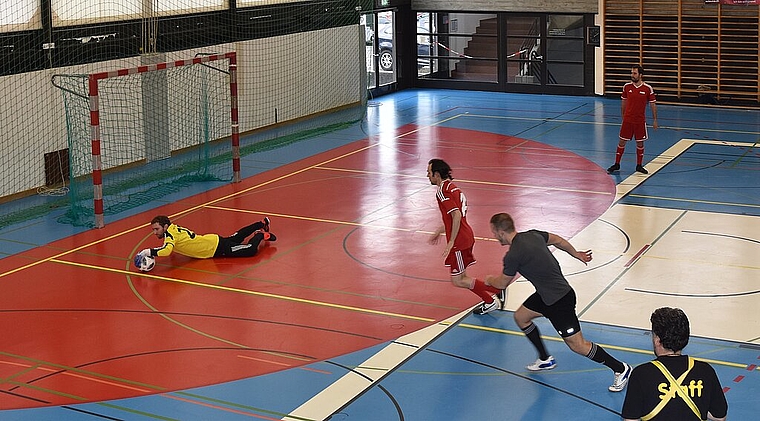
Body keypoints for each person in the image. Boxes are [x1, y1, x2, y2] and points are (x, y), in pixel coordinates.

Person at [485, 212, 632, 392]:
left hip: (559, 301)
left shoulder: (513, 255)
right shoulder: (533, 235)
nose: (493, 235)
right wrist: (576, 254)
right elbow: (558, 240)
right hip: (546, 295)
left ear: (501, 232)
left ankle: (621, 368)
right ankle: (545, 359)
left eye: (493, 232)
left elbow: (501, 283)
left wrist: (489, 280)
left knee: (578, 345)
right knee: (521, 317)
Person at [427, 159, 504, 315]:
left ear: (436, 174)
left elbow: (456, 215)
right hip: (466, 236)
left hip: (460, 241)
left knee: (459, 280)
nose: (427, 176)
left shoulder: (442, 191)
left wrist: (451, 242)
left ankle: (495, 291)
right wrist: (441, 229)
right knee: (461, 278)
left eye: (429, 173)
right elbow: (457, 217)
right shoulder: (454, 188)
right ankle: (491, 298)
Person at [622, 307, 728, 420]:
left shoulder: (641, 374)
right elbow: (720, 417)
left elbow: (630, 419)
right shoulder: (705, 370)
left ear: (657, 340)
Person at [137, 215, 276, 261]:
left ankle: (260, 234)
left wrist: (150, 252)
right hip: (211, 240)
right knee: (238, 237)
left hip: (215, 248)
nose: (155, 232)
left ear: (165, 226)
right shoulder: (173, 229)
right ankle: (261, 223)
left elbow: (167, 250)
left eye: (157, 229)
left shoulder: (170, 235)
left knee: (250, 250)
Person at [607, 64, 659, 175]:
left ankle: (639, 165)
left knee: (640, 143)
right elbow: (623, 102)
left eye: (634, 73)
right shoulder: (627, 87)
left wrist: (655, 120)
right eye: (631, 73)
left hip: (639, 121)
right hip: (628, 120)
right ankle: (617, 164)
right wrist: (623, 116)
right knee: (622, 141)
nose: (632, 75)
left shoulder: (647, 88)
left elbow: (653, 104)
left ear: (640, 75)